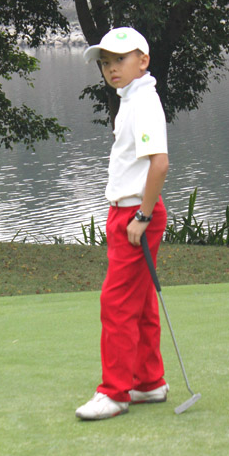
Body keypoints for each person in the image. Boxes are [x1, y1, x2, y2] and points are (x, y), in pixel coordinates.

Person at [76, 27, 170, 421]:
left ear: (143, 61)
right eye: (106, 62)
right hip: (128, 212)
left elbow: (159, 164)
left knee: (115, 303)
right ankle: (148, 382)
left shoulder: (143, 101)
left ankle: (114, 393)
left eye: (120, 59)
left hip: (136, 214)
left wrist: (143, 217)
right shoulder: (131, 98)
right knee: (141, 302)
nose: (111, 68)